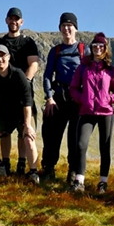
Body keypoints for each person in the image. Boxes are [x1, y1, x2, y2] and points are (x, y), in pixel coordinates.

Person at [68, 33, 114, 193]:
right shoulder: (83, 67)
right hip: (86, 111)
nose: (97, 48)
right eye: (94, 46)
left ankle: (103, 182)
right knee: (80, 145)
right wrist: (82, 99)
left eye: (101, 46)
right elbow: (73, 88)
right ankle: (79, 181)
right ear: (91, 48)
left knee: (104, 147)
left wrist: (109, 99)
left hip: (106, 113)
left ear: (105, 49)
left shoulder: (111, 70)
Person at [0, 7, 41, 175]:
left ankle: (22, 163)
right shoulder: (0, 43)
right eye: (10, 18)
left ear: (21, 22)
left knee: (24, 130)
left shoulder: (28, 43)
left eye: (16, 19)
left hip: (24, 94)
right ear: (6, 20)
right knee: (4, 132)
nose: (13, 21)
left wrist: (24, 83)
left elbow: (34, 64)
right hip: (4, 96)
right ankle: (5, 164)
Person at [0, 43, 39, 182]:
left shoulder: (18, 74)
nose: (0, 59)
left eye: (2, 56)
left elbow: (27, 101)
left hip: (21, 112)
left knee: (28, 138)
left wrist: (27, 124)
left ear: (8, 57)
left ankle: (33, 173)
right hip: (3, 114)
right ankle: (0, 168)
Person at [40, 12, 85, 182]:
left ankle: (73, 171)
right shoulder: (56, 51)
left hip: (77, 100)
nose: (66, 29)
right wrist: (49, 97)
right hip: (58, 98)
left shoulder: (83, 50)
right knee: (52, 135)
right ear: (60, 29)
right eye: (63, 26)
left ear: (75, 28)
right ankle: (49, 168)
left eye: (70, 26)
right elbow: (47, 76)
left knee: (74, 137)